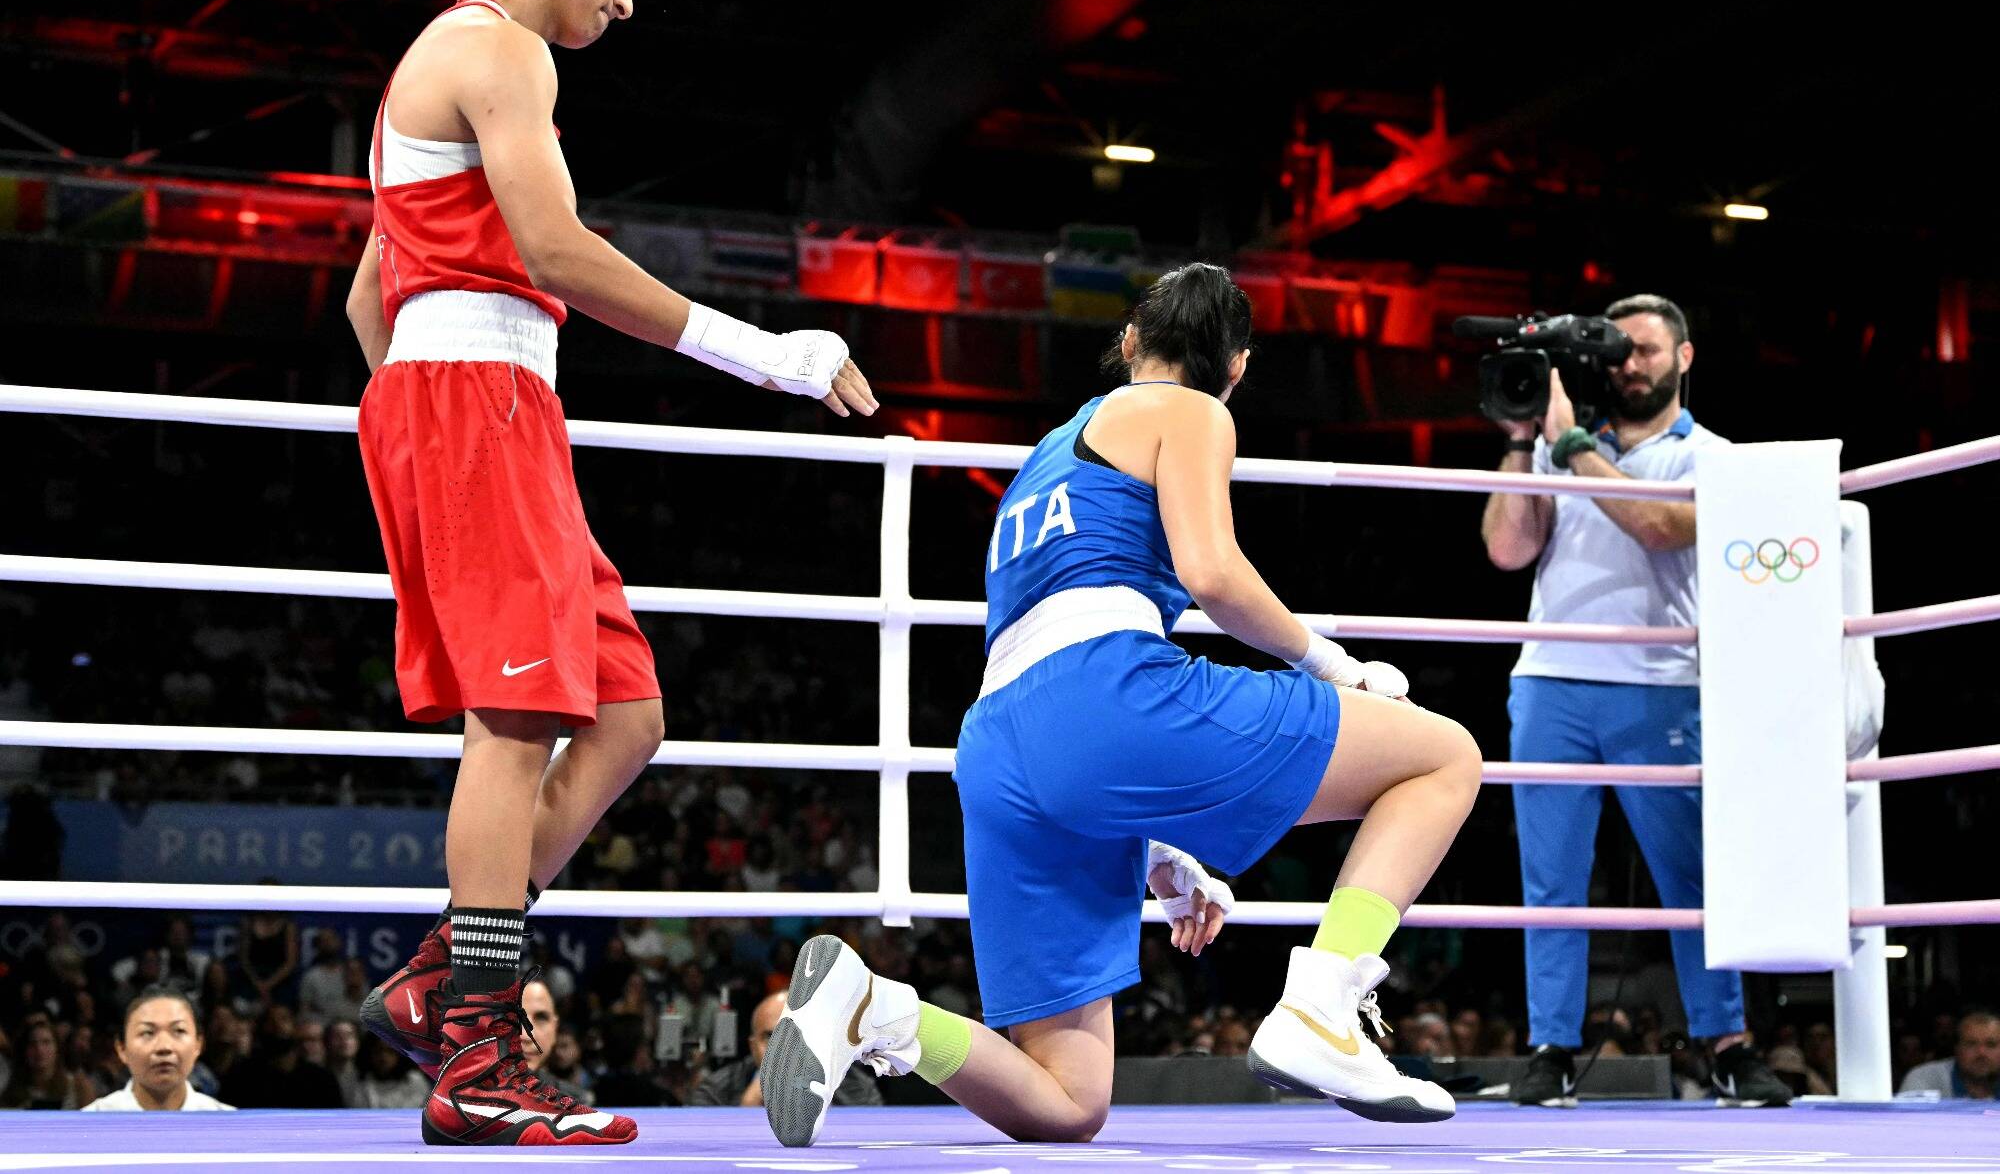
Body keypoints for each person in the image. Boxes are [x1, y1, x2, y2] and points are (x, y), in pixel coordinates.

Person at [341, 0, 876, 1150]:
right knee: (517, 719)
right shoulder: (503, 50)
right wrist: (769, 352)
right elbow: (555, 251)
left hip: (477, 403)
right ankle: (477, 1052)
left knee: (625, 710)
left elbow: (370, 297)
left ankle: (438, 975)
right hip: (479, 403)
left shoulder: (444, 69)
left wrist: (437, 412)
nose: (627, 0)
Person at [761, 263, 1483, 1147]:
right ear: (1239, 367)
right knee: (1443, 755)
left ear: (1131, 341)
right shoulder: (1191, 410)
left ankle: (873, 1009)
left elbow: (1060, 692)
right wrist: (1330, 661)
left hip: (999, 741)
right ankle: (1323, 1004)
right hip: (1102, 696)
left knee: (1068, 1101)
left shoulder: (1044, 458)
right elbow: (1210, 573)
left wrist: (1158, 850)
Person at [1479, 293, 1792, 1109]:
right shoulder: (1561, 446)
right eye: (1620, 351)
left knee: (1689, 877)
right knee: (1549, 881)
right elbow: (1508, 549)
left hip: (1661, 684)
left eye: (1648, 349)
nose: (1631, 364)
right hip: (1550, 678)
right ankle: (1550, 1046)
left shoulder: (1711, 456)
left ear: (1684, 358)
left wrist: (1573, 446)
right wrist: (1524, 442)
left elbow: (1656, 526)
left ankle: (1727, 1044)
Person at [692, 991, 880, 1108]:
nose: (784, 1049)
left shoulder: (859, 1090)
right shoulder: (713, 1091)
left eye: (797, 1035)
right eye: (770, 1037)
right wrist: (745, 1115)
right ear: (752, 1046)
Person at [81, 989, 233, 1112]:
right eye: (147, 1033)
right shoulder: (90, 1123)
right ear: (122, 1049)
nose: (164, 1047)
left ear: (198, 1044)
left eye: (179, 1031)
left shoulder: (229, 1126)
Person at [516, 979, 590, 1105]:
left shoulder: (578, 1100)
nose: (527, 1036)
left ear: (555, 1027)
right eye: (515, 1017)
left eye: (541, 1018)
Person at [0, 1014, 97, 1109]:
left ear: (57, 1049)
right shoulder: (10, 1092)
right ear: (24, 1051)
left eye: (46, 1042)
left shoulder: (78, 1087)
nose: (39, 1049)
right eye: (32, 1043)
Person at [1897, 1010, 2000, 1100]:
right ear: (1956, 1048)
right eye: (1971, 1044)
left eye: (1991, 1044)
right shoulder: (1923, 1079)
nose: (1981, 1052)